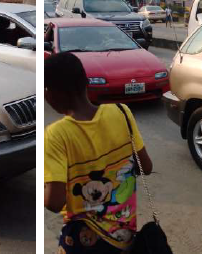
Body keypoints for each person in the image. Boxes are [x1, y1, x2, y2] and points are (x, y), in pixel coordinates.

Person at [44, 52, 153, 253]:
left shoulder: (56, 135)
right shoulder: (122, 112)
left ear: (50, 94)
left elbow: (54, 202)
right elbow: (146, 167)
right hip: (125, 235)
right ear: (86, 82)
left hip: (82, 239)